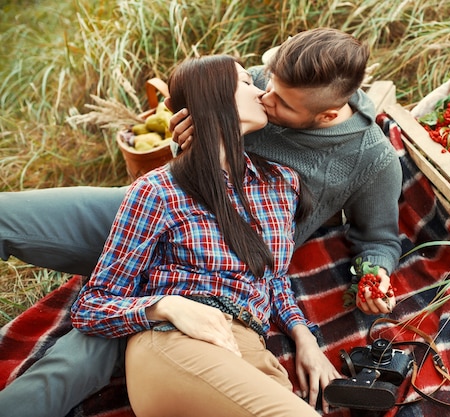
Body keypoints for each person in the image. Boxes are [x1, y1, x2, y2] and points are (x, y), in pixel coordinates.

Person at [0, 27, 402, 416]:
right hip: (168, 209)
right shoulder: (259, 88)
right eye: (261, 82)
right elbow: (201, 122)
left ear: (327, 114)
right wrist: (187, 135)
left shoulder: (368, 161)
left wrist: (371, 278)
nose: (264, 94)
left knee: (77, 360)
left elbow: (377, 241)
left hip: (225, 258)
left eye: (282, 101)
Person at [68, 54, 339, 417]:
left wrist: (305, 338)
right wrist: (166, 306)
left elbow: (273, 279)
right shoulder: (158, 191)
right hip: (176, 341)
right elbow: (91, 306)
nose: (259, 92)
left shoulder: (281, 184)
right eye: (245, 83)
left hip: (252, 352)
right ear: (215, 97)